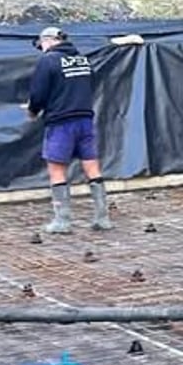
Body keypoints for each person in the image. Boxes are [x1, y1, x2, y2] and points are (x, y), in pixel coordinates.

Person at [26, 26, 111, 235]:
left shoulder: (49, 60)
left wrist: (33, 110)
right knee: (92, 167)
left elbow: (38, 93)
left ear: (48, 40)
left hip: (61, 122)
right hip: (84, 119)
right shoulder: (82, 59)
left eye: (42, 45)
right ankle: (102, 218)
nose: (42, 49)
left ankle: (62, 221)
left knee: (57, 170)